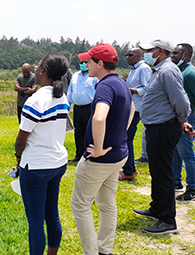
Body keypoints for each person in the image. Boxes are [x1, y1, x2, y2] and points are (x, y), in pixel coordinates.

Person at [70, 43, 134, 255]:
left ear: (99, 63)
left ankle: (91, 253)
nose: (86, 65)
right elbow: (131, 109)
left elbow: (99, 117)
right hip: (118, 155)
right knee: (107, 204)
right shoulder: (121, 82)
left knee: (80, 204)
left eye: (88, 61)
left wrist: (97, 148)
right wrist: (120, 132)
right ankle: (104, 249)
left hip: (99, 160)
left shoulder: (104, 86)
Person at [133, 38, 193, 235]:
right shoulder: (158, 70)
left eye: (148, 50)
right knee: (157, 171)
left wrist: (183, 119)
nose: (146, 54)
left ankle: (167, 220)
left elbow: (180, 99)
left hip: (164, 127)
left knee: (163, 173)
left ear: (159, 51)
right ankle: (157, 207)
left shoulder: (168, 71)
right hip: (155, 127)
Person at [15, 53, 70, 255]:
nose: (36, 70)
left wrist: (18, 156)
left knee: (36, 220)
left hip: (37, 165)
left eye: (38, 67)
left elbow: (21, 139)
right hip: (57, 163)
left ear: (43, 70)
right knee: (52, 215)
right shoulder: (61, 96)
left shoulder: (35, 100)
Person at [170, 43, 195, 201]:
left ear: (185, 54)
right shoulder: (179, 70)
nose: (172, 56)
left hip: (187, 116)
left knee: (186, 153)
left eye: (176, 53)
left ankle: (192, 189)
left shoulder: (191, 73)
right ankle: (176, 182)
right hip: (178, 116)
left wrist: (192, 108)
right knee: (177, 152)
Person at [119, 48, 152, 181]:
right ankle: (130, 167)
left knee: (127, 138)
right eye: (126, 55)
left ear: (139, 55)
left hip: (137, 108)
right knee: (127, 138)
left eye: (130, 55)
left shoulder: (143, 68)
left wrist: (130, 89)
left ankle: (128, 172)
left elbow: (148, 88)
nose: (127, 57)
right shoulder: (134, 69)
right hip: (131, 107)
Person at [67, 57, 99, 162]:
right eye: (81, 62)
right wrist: (68, 105)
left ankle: (89, 153)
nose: (83, 64)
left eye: (86, 62)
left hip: (89, 107)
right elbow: (70, 91)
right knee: (78, 132)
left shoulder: (94, 77)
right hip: (77, 108)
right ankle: (78, 155)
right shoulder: (75, 76)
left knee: (89, 131)